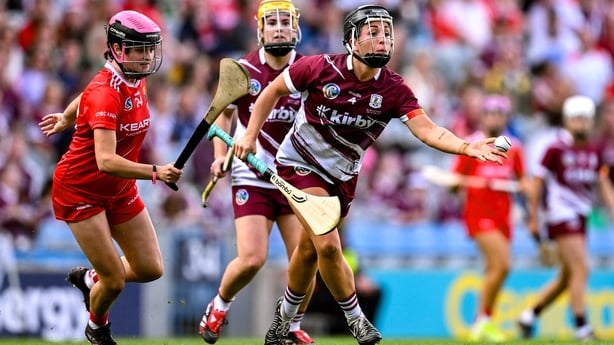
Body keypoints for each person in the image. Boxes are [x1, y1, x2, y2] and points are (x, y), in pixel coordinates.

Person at [231, 5, 507, 345]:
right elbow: (271, 92)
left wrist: (466, 146)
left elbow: (428, 131)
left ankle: (281, 326)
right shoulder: (318, 68)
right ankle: (357, 320)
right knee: (330, 246)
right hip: (299, 165)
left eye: (386, 33)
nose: (382, 39)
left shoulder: (393, 88)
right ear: (351, 41)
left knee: (307, 252)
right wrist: (248, 135)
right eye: (372, 33)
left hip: (342, 178)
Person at [38, 10, 182, 345]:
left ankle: (90, 279)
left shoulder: (133, 77)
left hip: (119, 189)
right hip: (80, 190)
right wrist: (156, 172)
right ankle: (97, 328)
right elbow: (105, 160)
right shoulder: (108, 92)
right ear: (118, 49)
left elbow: (87, 93)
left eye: (150, 48)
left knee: (150, 268)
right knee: (114, 281)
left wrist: (67, 116)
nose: (147, 56)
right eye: (138, 48)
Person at [198, 1, 315, 345]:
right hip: (252, 174)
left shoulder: (309, 70)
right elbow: (222, 114)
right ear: (260, 29)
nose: (278, 29)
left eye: (284, 22)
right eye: (271, 23)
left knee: (306, 260)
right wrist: (220, 155)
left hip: (295, 176)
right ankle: (219, 306)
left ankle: (290, 328)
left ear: (296, 28)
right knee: (252, 259)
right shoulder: (243, 68)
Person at [517, 95, 614, 341]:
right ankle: (582, 327)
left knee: (566, 277)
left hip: (581, 215)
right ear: (568, 120)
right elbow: (537, 183)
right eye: (576, 119)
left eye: (585, 119)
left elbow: (602, 183)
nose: (580, 124)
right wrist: (533, 217)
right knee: (582, 268)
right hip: (560, 215)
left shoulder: (594, 150)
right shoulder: (555, 149)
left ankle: (529, 315)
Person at [449, 94, 527, 342]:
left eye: (500, 114)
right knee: (503, 264)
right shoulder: (472, 145)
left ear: (506, 117)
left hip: (503, 216)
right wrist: (475, 182)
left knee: (496, 269)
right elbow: (453, 183)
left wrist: (525, 187)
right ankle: (483, 319)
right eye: (490, 113)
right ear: (483, 117)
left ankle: (482, 322)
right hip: (479, 215)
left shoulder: (514, 147)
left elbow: (522, 180)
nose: (495, 118)